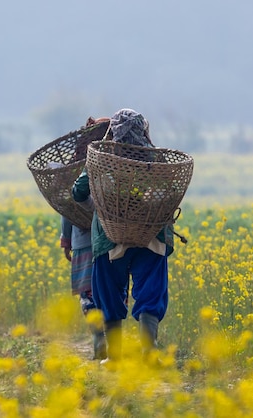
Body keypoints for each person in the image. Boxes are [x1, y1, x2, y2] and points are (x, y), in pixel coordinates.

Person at [72, 108, 174, 364]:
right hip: (150, 235)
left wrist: (97, 206)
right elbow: (170, 192)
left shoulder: (101, 158)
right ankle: (149, 352)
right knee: (151, 291)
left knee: (108, 292)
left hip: (109, 237)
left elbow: (79, 192)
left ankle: (114, 356)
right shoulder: (156, 160)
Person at [59, 116, 110, 360]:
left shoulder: (81, 164)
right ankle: (111, 340)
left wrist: (65, 239)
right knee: (111, 292)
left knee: (88, 295)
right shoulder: (116, 162)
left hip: (83, 241)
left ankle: (98, 339)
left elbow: (67, 206)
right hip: (112, 239)